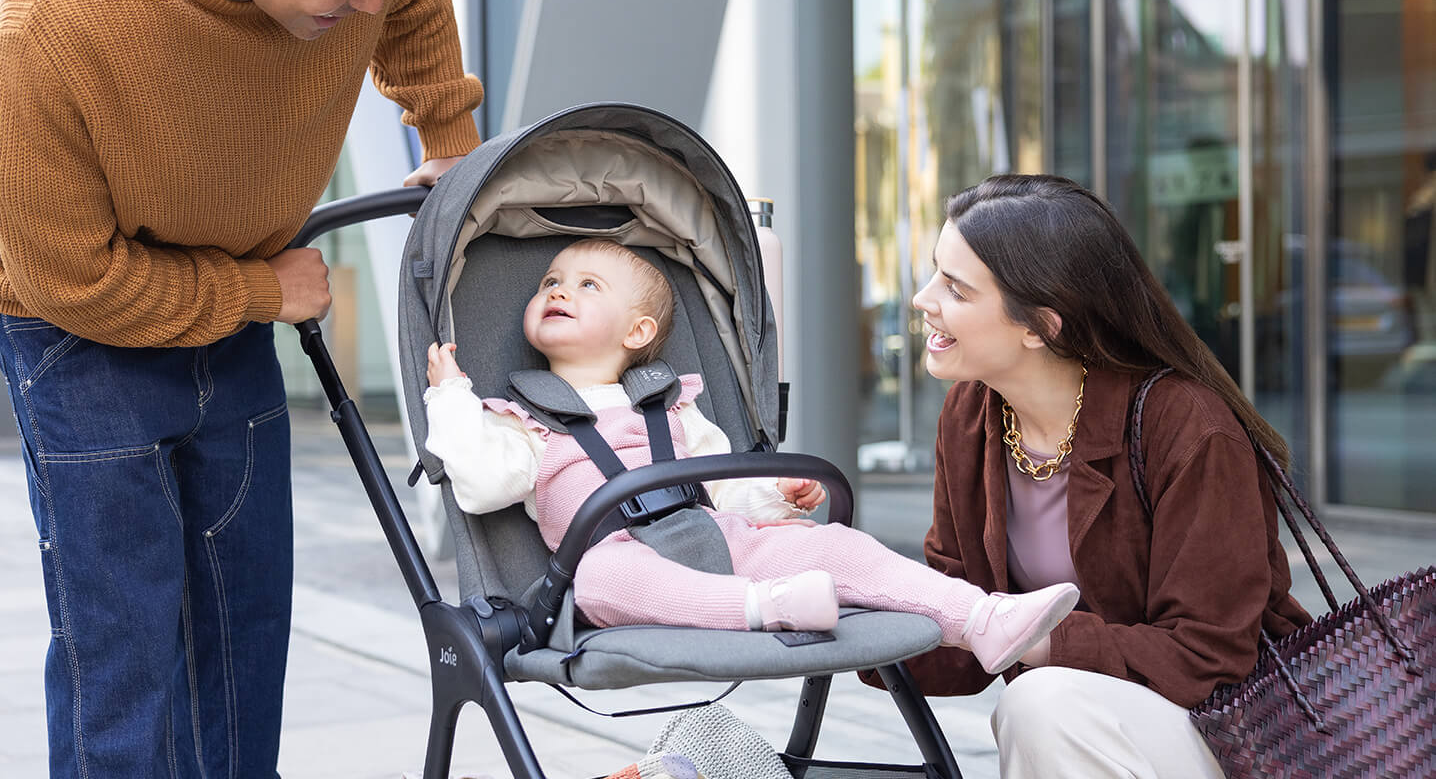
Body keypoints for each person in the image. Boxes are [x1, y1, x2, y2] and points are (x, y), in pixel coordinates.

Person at [0, 0, 483, 779]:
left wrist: (450, 140)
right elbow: (68, 277)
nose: (370, 6)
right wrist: (260, 290)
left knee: (242, 626)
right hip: (77, 327)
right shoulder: (62, 12)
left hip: (238, 293)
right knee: (127, 645)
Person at [897, 174, 1312, 779]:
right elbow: (955, 641)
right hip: (1089, 774)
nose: (923, 300)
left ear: (1041, 325)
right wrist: (832, 583)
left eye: (954, 287)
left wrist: (1034, 639)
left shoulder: (1186, 425)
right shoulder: (975, 416)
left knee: (1046, 703)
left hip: (1247, 775)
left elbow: (1210, 657)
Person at [423, 237, 1079, 672]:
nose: (560, 289)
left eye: (588, 284)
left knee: (838, 548)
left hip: (711, 534)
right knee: (598, 580)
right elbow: (479, 483)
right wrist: (452, 395)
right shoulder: (522, 418)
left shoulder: (669, 403)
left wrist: (773, 496)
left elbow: (722, 485)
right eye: (551, 280)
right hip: (611, 558)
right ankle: (771, 607)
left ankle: (981, 617)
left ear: (639, 331)